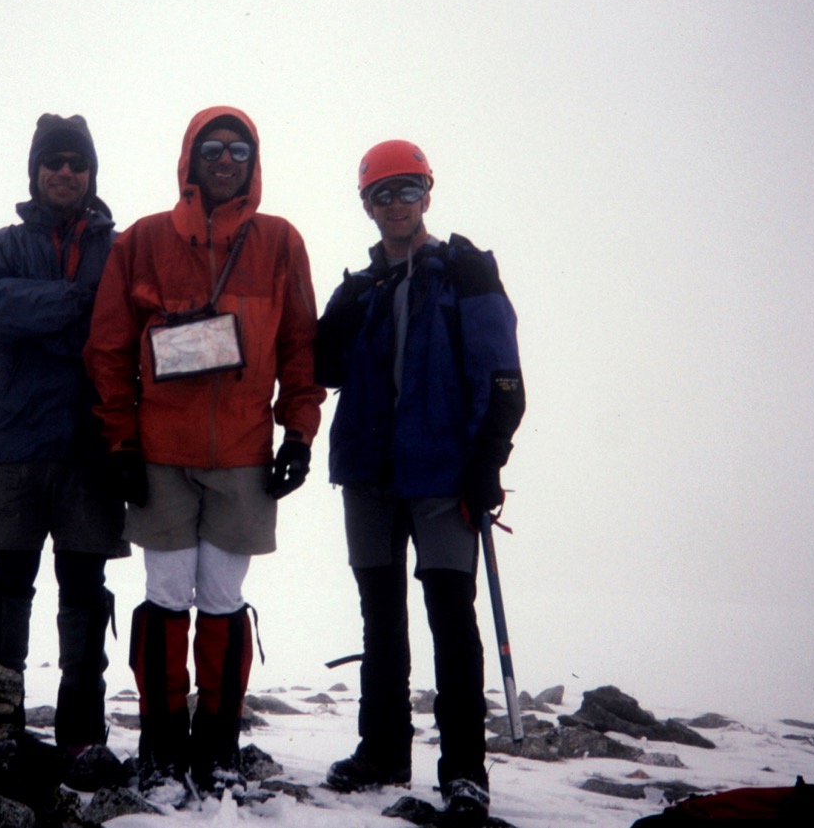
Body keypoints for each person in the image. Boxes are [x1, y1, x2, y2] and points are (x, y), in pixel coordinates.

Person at [84, 106, 326, 802]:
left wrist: (299, 434)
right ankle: (161, 744)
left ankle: (217, 743)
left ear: (255, 160)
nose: (226, 159)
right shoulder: (144, 240)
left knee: (222, 599)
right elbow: (107, 349)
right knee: (165, 598)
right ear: (189, 157)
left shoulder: (279, 241)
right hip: (160, 454)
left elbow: (299, 347)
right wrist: (121, 440)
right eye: (213, 147)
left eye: (240, 148)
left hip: (245, 459)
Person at [314, 140, 525, 826]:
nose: (396, 203)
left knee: (450, 620)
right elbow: (322, 365)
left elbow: (504, 379)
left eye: (408, 189)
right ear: (367, 204)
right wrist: (335, 320)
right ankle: (382, 750)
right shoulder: (362, 287)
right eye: (383, 192)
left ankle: (465, 771)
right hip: (370, 477)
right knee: (381, 617)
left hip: (443, 477)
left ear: (428, 194)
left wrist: (486, 460)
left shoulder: (466, 271)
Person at [0, 113, 128, 789]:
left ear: (91, 174)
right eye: (52, 162)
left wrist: (45, 313)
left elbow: (127, 323)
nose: (64, 172)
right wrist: (80, 305)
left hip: (93, 448)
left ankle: (82, 737)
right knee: (7, 589)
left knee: (84, 594)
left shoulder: (123, 248)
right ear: (34, 172)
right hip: (13, 446)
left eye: (76, 163)